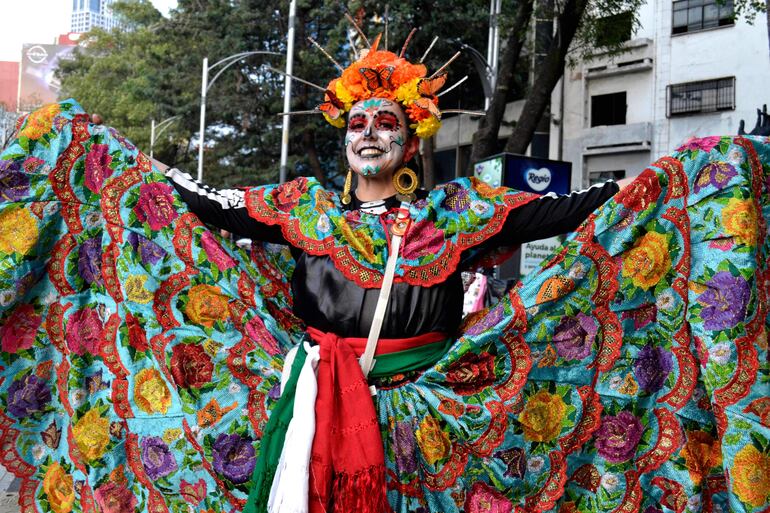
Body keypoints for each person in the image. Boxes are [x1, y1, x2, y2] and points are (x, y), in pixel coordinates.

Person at [0, 35, 768, 513]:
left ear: (412, 137)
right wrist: (106, 155)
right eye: (358, 123)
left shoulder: (461, 210)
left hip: (425, 417)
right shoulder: (300, 207)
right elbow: (197, 202)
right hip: (306, 410)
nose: (371, 134)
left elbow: (580, 211)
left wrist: (678, 176)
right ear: (344, 139)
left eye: (387, 122)